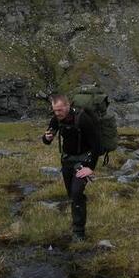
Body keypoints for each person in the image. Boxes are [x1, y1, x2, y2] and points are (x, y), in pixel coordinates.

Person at [42, 94, 101, 242]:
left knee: (76, 193)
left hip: (83, 161)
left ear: (68, 106)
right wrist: (46, 138)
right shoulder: (56, 119)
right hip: (67, 162)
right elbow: (47, 138)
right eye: (55, 110)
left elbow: (97, 145)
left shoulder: (82, 119)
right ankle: (77, 220)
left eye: (60, 110)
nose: (57, 113)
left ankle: (79, 232)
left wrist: (90, 168)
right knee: (71, 195)